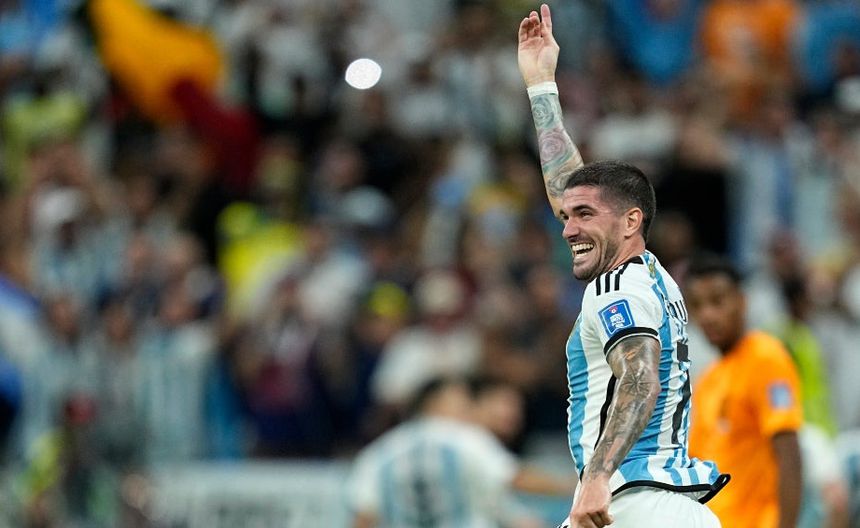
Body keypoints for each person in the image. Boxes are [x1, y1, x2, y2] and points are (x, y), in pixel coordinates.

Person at [517, 6, 727, 527]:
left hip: (631, 504)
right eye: (568, 217)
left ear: (631, 221)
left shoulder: (617, 286)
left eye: (584, 217)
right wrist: (542, 86)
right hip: (668, 506)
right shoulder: (651, 275)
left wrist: (596, 477)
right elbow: (570, 190)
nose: (567, 228)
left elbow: (639, 377)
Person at [347, 376, 571, 528]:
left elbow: (364, 518)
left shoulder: (377, 453)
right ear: (434, 404)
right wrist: (572, 486)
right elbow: (514, 478)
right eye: (460, 400)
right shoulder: (465, 437)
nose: (468, 408)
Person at [684, 256, 803, 528]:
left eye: (717, 301)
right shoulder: (708, 380)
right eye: (698, 305)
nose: (707, 315)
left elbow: (789, 454)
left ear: (742, 301)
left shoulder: (766, 358)